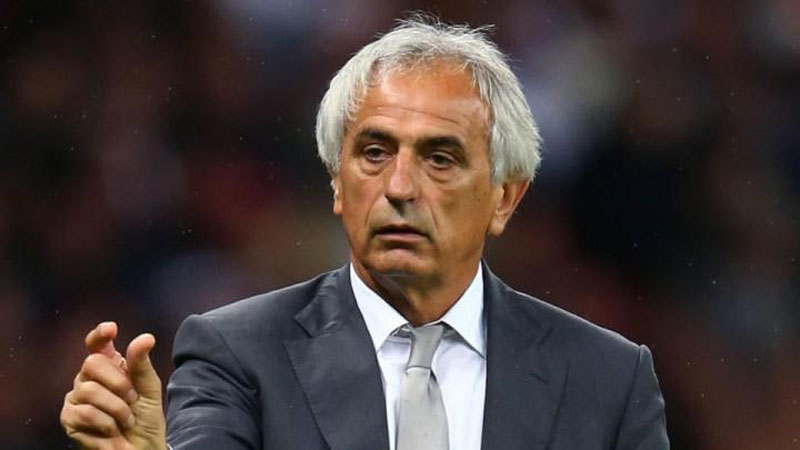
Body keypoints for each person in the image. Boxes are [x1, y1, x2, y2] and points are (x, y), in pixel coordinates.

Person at [60, 16, 669, 450]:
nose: (399, 187)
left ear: (505, 197)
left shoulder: (609, 379)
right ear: (335, 182)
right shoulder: (237, 354)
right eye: (374, 153)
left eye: (440, 158)